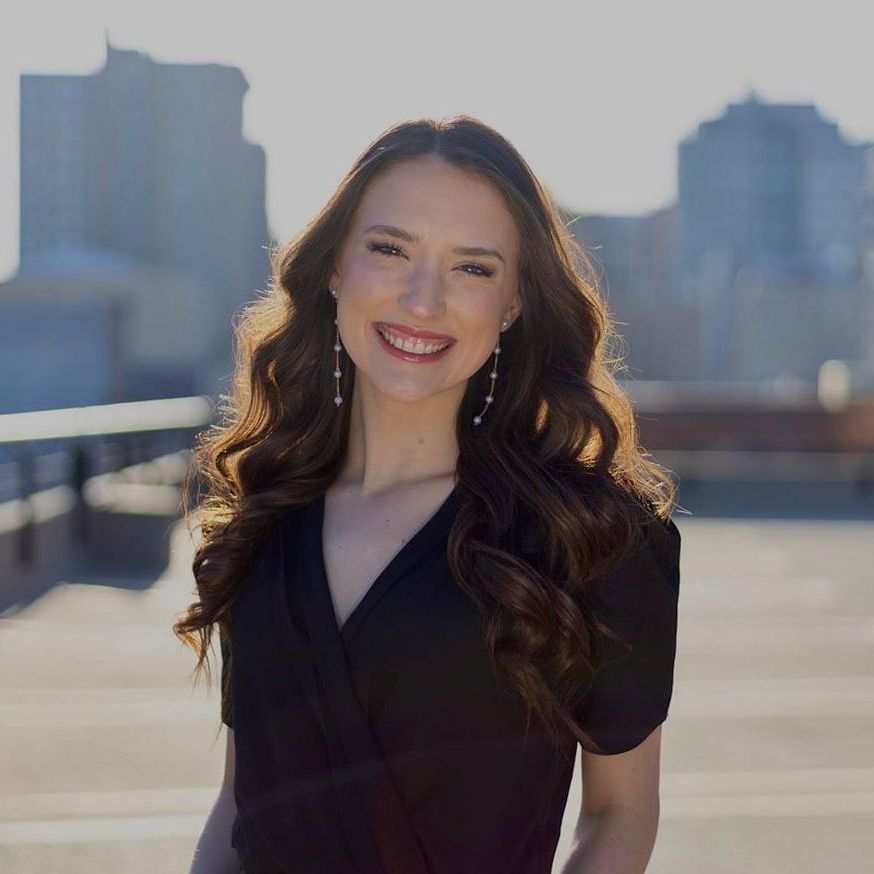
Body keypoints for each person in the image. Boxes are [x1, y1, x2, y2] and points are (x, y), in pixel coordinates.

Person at [176, 114, 682, 874]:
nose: (422, 299)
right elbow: (240, 806)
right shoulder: (264, 519)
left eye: (471, 268)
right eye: (389, 249)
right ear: (336, 267)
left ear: (512, 303)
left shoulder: (590, 533)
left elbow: (619, 815)